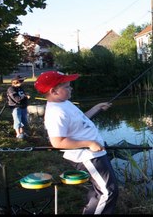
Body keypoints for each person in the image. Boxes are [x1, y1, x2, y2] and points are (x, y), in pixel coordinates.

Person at [34, 71, 118, 214]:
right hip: (87, 156)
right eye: (66, 86)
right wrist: (90, 143)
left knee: (99, 189)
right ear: (53, 91)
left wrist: (96, 108)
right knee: (108, 192)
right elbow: (57, 142)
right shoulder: (55, 113)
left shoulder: (64, 103)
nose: (71, 88)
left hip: (94, 153)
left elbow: (81, 120)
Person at [7, 75, 30, 139]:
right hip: (15, 107)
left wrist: (26, 97)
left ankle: (22, 133)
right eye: (20, 81)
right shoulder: (11, 89)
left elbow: (23, 96)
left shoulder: (20, 88)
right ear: (15, 82)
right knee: (17, 120)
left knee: (24, 120)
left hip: (23, 106)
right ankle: (18, 134)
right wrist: (25, 96)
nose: (22, 82)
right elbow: (16, 99)